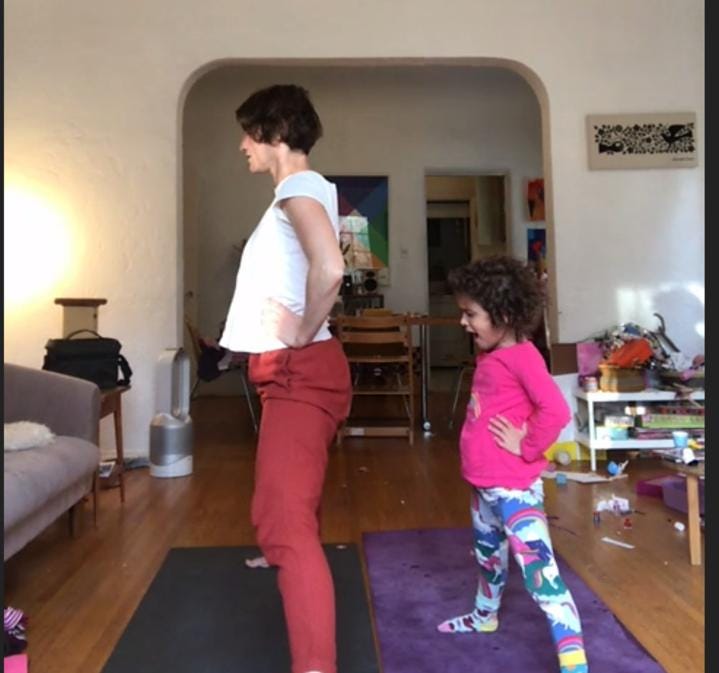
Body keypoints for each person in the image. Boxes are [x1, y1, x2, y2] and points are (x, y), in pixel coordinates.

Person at [219, 84, 351, 673]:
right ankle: (283, 549)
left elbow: (331, 267)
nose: (242, 146)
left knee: (285, 523)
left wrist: (300, 330)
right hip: (291, 377)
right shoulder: (301, 191)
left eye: (249, 133)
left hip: (301, 372)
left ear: (274, 133)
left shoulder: (298, 187)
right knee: (286, 510)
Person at [438, 255, 588, 673]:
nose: (463, 322)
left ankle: (575, 662)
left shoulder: (523, 356)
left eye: (471, 314)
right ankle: (485, 616)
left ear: (503, 316)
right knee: (488, 557)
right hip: (484, 485)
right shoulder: (492, 354)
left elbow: (556, 411)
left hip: (513, 489)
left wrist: (527, 445)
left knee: (543, 577)